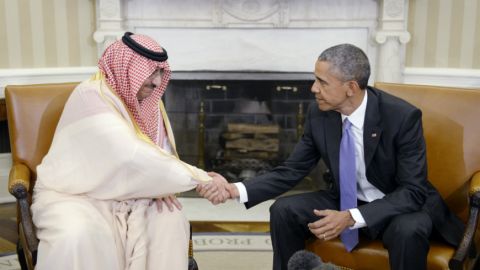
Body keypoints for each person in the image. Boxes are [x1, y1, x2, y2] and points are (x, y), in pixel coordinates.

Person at [198, 44, 465, 270]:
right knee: (284, 210)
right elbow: (292, 170)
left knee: (409, 230)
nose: (314, 88)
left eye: (322, 82)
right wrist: (234, 189)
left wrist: (351, 217)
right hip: (346, 198)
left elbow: (413, 191)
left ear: (350, 87)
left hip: (398, 204)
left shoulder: (402, 117)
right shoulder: (320, 114)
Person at [31, 32, 226, 270]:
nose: (156, 82)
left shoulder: (150, 105)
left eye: (160, 73)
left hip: (137, 192)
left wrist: (159, 183)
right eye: (150, 72)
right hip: (77, 194)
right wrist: (201, 178)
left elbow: (160, 156)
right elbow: (128, 154)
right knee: (77, 234)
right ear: (127, 68)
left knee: (170, 221)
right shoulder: (91, 96)